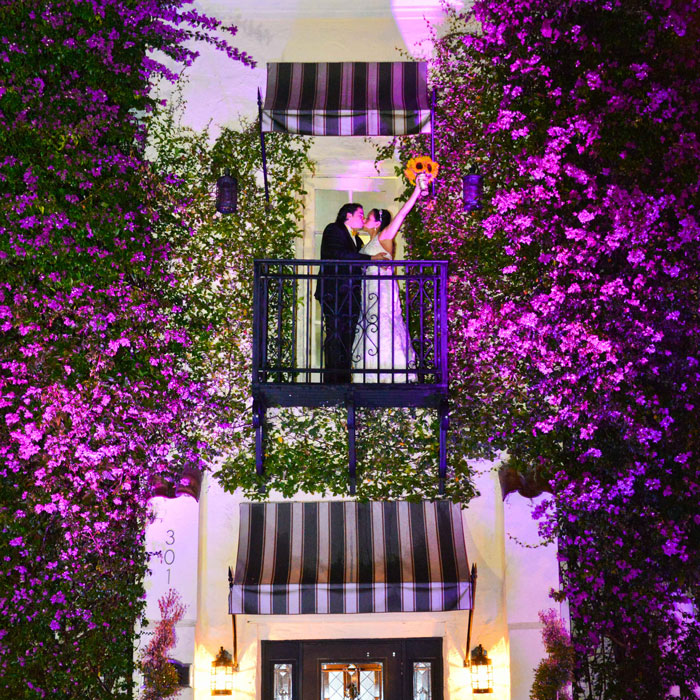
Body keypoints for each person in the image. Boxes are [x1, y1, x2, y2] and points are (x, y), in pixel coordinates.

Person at [352, 178, 427, 383]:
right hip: (369, 289)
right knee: (370, 324)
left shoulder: (384, 235)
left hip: (381, 288)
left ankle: (389, 373)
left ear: (377, 223)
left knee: (383, 323)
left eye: (368, 217)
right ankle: (369, 372)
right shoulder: (367, 242)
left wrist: (416, 191)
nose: (365, 220)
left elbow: (402, 214)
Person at [315, 203, 388, 383]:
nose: (363, 218)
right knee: (335, 334)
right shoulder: (334, 229)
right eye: (360, 214)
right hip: (334, 292)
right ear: (348, 215)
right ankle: (332, 381)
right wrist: (371, 258)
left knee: (348, 336)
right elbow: (338, 254)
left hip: (351, 295)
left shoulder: (357, 240)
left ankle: (344, 378)